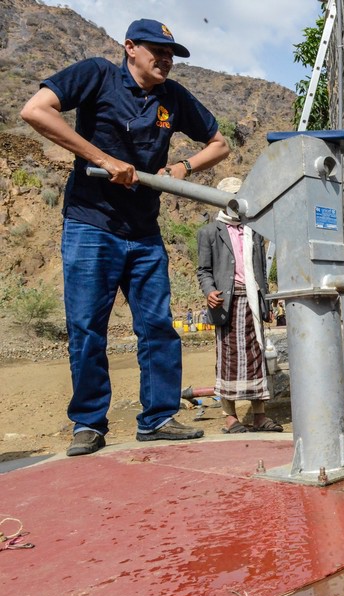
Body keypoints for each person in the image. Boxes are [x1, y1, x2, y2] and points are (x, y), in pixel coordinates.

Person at [20, 18, 229, 456]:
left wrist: (180, 170)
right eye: (158, 50)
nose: (167, 60)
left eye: (173, 54)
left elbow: (219, 144)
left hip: (144, 231)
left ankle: (157, 418)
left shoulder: (173, 98)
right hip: (90, 224)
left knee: (157, 326)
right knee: (87, 328)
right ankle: (89, 424)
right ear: (130, 47)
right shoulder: (97, 74)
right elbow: (36, 111)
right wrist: (102, 158)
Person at [196, 178, 281, 434]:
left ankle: (259, 416)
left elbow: (261, 270)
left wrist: (266, 302)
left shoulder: (253, 231)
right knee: (228, 359)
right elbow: (204, 270)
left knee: (256, 356)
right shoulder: (210, 232)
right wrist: (210, 291)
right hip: (227, 304)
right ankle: (230, 418)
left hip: (252, 301)